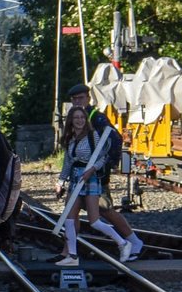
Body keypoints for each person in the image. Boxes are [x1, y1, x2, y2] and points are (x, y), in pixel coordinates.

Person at [58, 83, 143, 261]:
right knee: (71, 213)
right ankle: (68, 253)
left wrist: (106, 166)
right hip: (79, 176)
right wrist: (62, 179)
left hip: (95, 175)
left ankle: (132, 241)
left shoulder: (97, 118)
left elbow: (114, 140)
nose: (77, 102)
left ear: (88, 98)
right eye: (74, 99)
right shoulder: (75, 118)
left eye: (80, 98)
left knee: (104, 210)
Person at [54, 105, 116, 266]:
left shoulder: (92, 136)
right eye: (76, 118)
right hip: (75, 179)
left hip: (89, 178)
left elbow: (103, 157)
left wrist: (92, 170)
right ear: (71, 121)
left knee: (94, 221)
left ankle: (123, 242)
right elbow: (67, 163)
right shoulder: (70, 139)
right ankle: (72, 257)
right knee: (69, 218)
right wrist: (61, 182)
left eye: (82, 117)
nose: (80, 120)